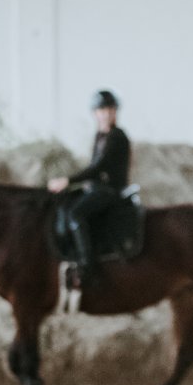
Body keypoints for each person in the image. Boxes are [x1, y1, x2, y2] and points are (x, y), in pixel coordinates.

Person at [48, 90, 132, 282]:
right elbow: (96, 168)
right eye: (102, 109)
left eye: (110, 109)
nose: (106, 113)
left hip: (111, 190)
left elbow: (99, 167)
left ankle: (87, 265)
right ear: (95, 113)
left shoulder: (117, 136)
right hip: (99, 187)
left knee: (76, 213)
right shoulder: (100, 136)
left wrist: (67, 180)